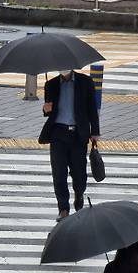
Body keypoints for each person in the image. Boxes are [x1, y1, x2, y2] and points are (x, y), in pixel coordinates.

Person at [39, 69, 100, 222]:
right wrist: (45, 109)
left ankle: (79, 195)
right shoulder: (51, 84)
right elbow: (49, 110)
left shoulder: (85, 82)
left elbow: (92, 109)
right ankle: (63, 209)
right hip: (58, 134)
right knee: (59, 173)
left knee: (79, 174)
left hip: (78, 135)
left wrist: (95, 132)